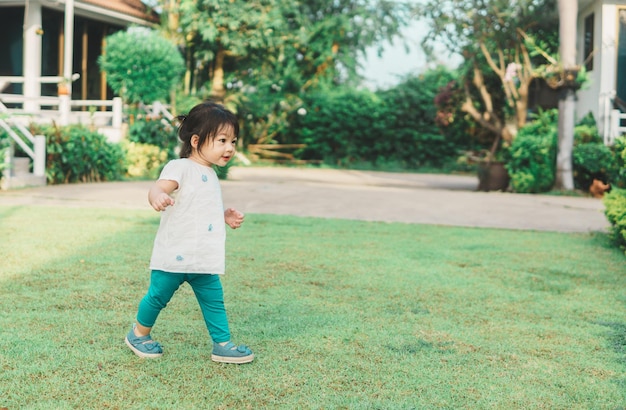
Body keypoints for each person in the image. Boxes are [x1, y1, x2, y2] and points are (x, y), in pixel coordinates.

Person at [125, 102, 254, 364]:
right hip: (175, 255)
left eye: (233, 141)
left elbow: (199, 210)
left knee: (214, 301)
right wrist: (158, 196)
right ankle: (138, 334)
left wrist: (223, 216)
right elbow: (158, 188)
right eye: (222, 140)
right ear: (196, 140)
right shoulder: (180, 167)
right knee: (158, 296)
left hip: (203, 258)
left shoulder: (210, 173)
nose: (229, 147)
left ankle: (222, 344)